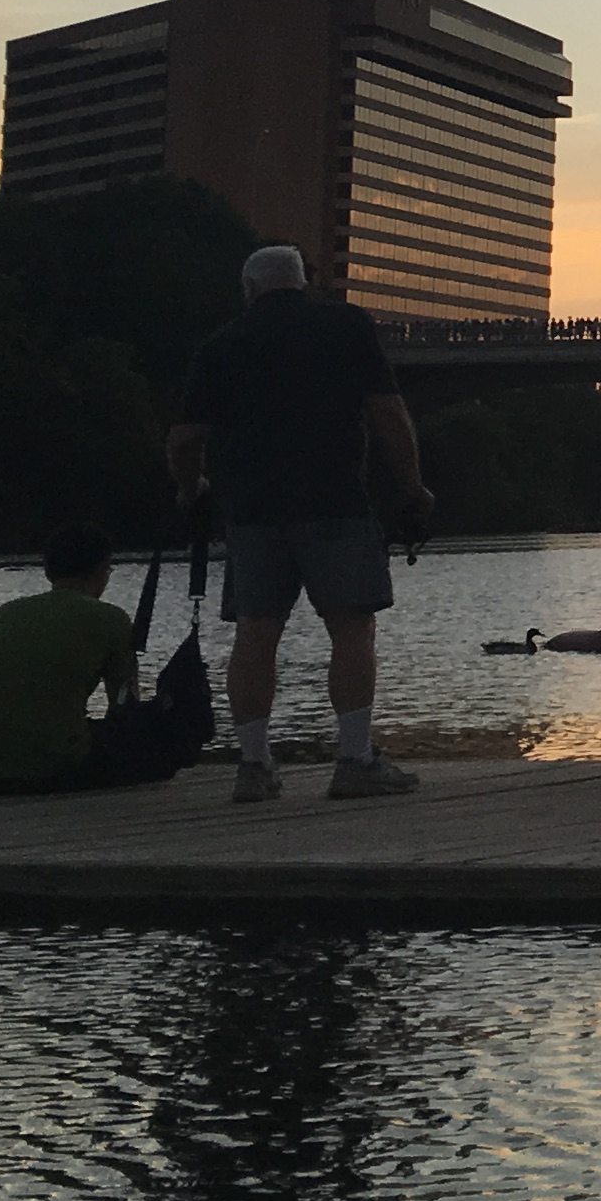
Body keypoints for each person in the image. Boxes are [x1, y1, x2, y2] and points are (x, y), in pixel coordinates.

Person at [171, 243, 434, 804]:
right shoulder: (344, 326)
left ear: (249, 290)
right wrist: (412, 487)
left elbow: (186, 438)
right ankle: (354, 759)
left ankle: (253, 765)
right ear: (304, 283)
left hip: (251, 512)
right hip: (333, 500)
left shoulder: (222, 344)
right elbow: (388, 412)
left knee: (255, 634)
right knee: (351, 627)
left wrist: (191, 487)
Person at [0, 520, 169, 795]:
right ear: (102, 570)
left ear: (47, 571)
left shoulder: (6, 614)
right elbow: (124, 705)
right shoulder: (111, 619)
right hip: (49, 769)